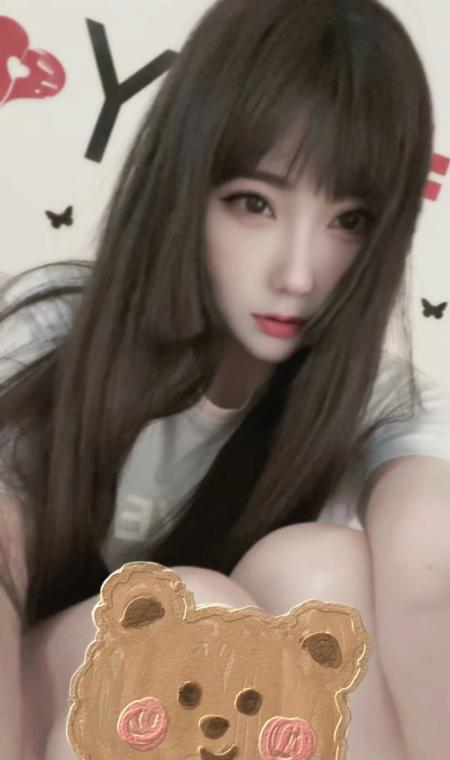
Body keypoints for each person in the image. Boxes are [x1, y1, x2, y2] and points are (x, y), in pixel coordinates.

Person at [0, 0, 449, 758]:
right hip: (37, 706)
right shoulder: (51, 335)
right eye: (254, 204)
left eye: (348, 221)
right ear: (184, 186)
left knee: (323, 571)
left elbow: (430, 583)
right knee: (191, 617)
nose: (298, 274)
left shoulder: (376, 397)